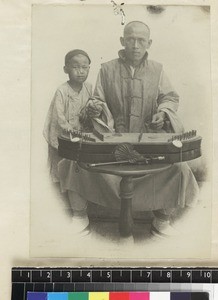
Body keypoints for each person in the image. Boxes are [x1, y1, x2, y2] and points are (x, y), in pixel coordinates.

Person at [58, 22, 199, 237]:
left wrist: (163, 112)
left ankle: (161, 220)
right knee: (71, 163)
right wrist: (95, 107)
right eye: (130, 39)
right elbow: (97, 99)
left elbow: (170, 97)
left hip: (146, 141)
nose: (135, 45)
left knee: (180, 168)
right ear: (122, 41)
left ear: (148, 43)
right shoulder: (107, 69)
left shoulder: (158, 70)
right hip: (112, 139)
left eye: (141, 40)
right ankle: (80, 216)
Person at [43, 49, 93, 235]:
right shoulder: (62, 91)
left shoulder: (89, 88)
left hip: (84, 140)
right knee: (66, 171)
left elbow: (94, 111)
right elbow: (58, 119)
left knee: (84, 171)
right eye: (75, 67)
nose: (80, 71)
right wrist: (72, 134)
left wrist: (94, 111)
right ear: (66, 69)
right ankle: (74, 213)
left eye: (84, 67)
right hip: (65, 140)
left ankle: (84, 211)